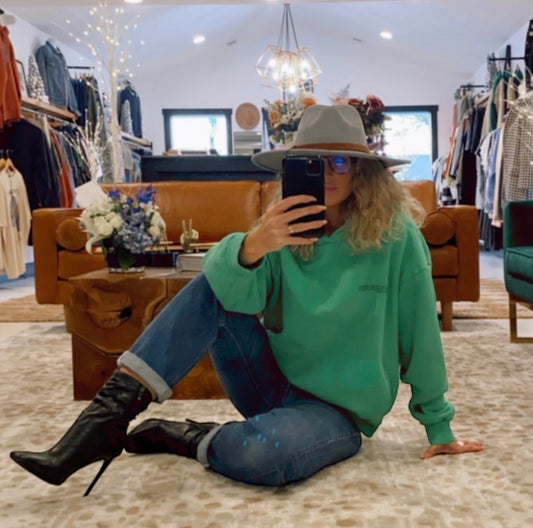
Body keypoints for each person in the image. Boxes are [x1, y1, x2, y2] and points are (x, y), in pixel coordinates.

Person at [10, 104, 483, 496]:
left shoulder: (396, 237)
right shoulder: (280, 228)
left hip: (336, 412)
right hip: (266, 381)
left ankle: (193, 436)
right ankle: (102, 422)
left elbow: (419, 331)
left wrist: (439, 427)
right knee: (215, 281)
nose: (327, 173)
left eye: (340, 161)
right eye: (313, 161)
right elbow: (233, 297)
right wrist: (254, 245)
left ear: (363, 170)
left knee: (268, 457)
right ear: (294, 168)